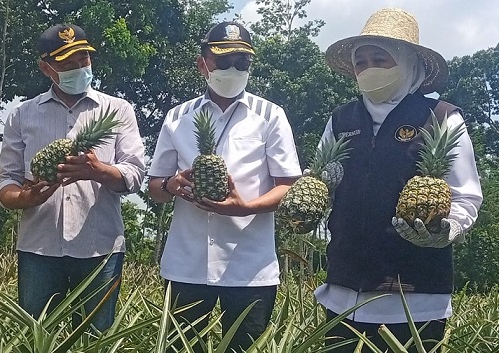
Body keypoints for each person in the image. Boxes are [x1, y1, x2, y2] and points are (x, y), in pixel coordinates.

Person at [314, 8, 483, 352]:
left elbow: (466, 197)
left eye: (381, 58)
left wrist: (444, 231)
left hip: (414, 296)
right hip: (343, 291)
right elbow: (322, 182)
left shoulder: (441, 118)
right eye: (361, 61)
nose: (368, 67)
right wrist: (318, 192)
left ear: (408, 64)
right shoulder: (341, 118)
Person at [147, 21, 302, 352]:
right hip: (186, 263)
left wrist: (245, 207)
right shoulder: (178, 117)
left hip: (249, 266)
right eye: (224, 60)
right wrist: (172, 185)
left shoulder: (271, 115)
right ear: (202, 63)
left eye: (241, 62)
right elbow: (154, 187)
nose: (233, 68)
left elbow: (288, 185)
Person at [0, 24, 145, 332]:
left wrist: (98, 171)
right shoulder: (22, 115)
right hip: (39, 247)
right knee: (35, 335)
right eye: (67, 63)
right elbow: (6, 181)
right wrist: (22, 198)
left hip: (99, 247)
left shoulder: (118, 110)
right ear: (45, 67)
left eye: (84, 60)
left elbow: (134, 174)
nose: (79, 67)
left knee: (95, 338)